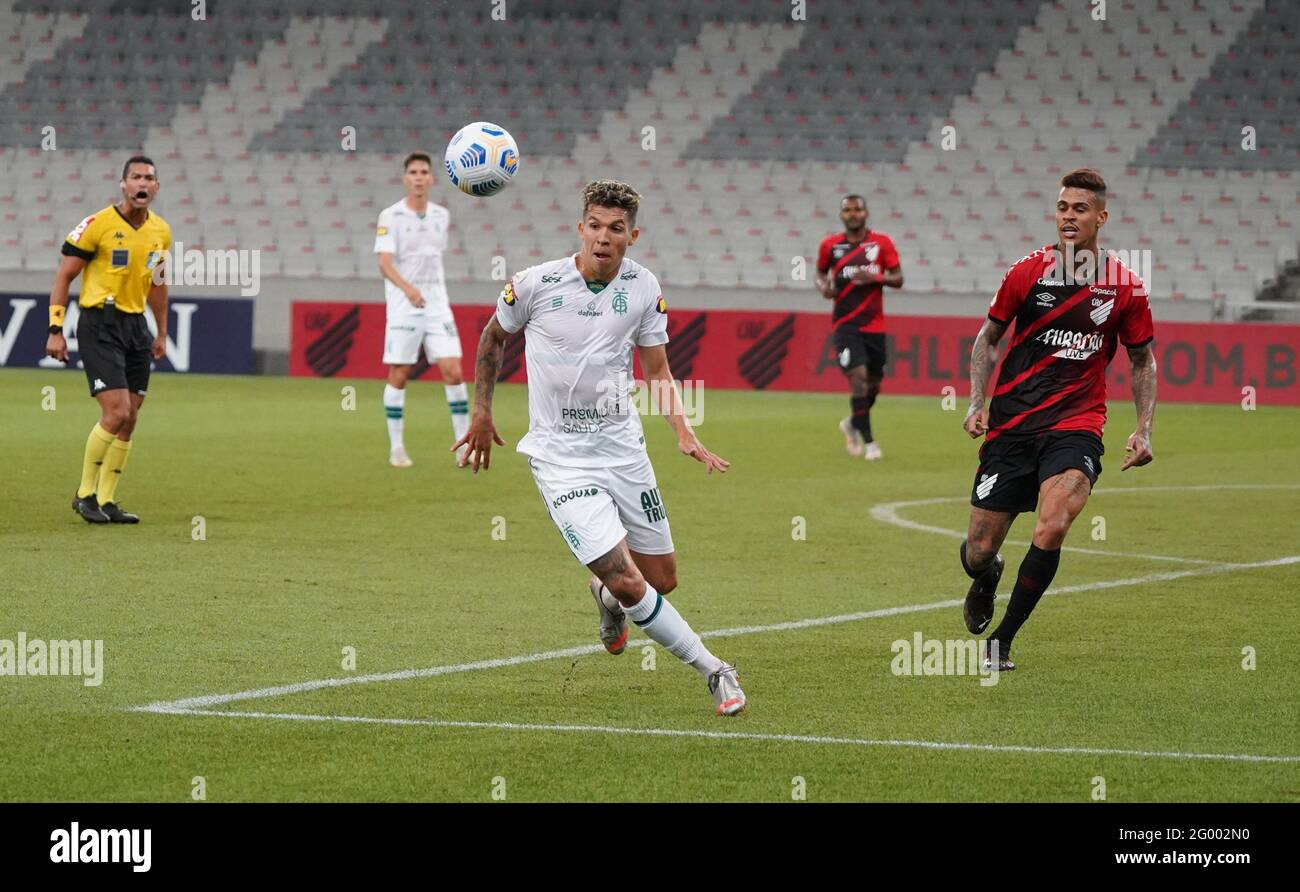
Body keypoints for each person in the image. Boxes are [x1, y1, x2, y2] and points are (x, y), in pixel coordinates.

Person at [454, 180, 747, 716]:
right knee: (627, 575)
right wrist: (481, 411)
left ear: (633, 235)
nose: (603, 238)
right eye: (594, 226)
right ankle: (715, 670)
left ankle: (607, 600)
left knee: (661, 580)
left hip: (623, 449)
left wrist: (682, 430)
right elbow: (493, 339)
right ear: (579, 228)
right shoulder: (535, 283)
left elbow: (657, 369)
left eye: (616, 229)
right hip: (560, 459)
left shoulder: (642, 287)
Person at [960, 168, 1157, 670]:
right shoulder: (1027, 272)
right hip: (1013, 425)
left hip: (1077, 425)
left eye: (1081, 209)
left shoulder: (1125, 287)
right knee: (978, 550)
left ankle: (1001, 641)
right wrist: (976, 401)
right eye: (1063, 208)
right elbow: (988, 338)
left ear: (1101, 217)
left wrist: (1144, 427)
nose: (1069, 217)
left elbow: (1141, 360)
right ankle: (987, 577)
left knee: (1053, 525)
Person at [47, 155, 171, 524]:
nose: (142, 183)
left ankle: (107, 499)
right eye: (135, 177)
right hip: (99, 323)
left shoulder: (161, 231)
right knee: (116, 412)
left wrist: (162, 331)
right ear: (123, 184)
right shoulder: (97, 225)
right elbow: (63, 277)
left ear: (157, 187)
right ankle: (85, 494)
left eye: (149, 178)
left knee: (131, 418)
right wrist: (56, 329)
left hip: (136, 325)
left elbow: (159, 284)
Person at [375, 152, 468, 467]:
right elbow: (385, 264)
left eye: (423, 172)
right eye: (413, 171)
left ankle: (465, 444)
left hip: (437, 304)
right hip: (404, 305)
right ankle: (397, 447)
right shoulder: (391, 216)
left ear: (431, 179)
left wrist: (427, 291)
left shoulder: (442, 215)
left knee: (453, 370)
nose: (418, 176)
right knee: (400, 373)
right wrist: (409, 289)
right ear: (406, 178)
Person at [815, 194, 903, 461]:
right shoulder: (829, 245)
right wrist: (824, 287)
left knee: (873, 386)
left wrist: (875, 277)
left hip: (874, 327)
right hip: (845, 325)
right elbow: (819, 274)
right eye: (848, 210)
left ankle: (853, 423)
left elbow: (898, 278)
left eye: (857, 209)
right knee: (859, 378)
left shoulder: (882, 243)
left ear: (866, 213)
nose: (853, 214)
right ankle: (870, 443)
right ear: (842, 215)